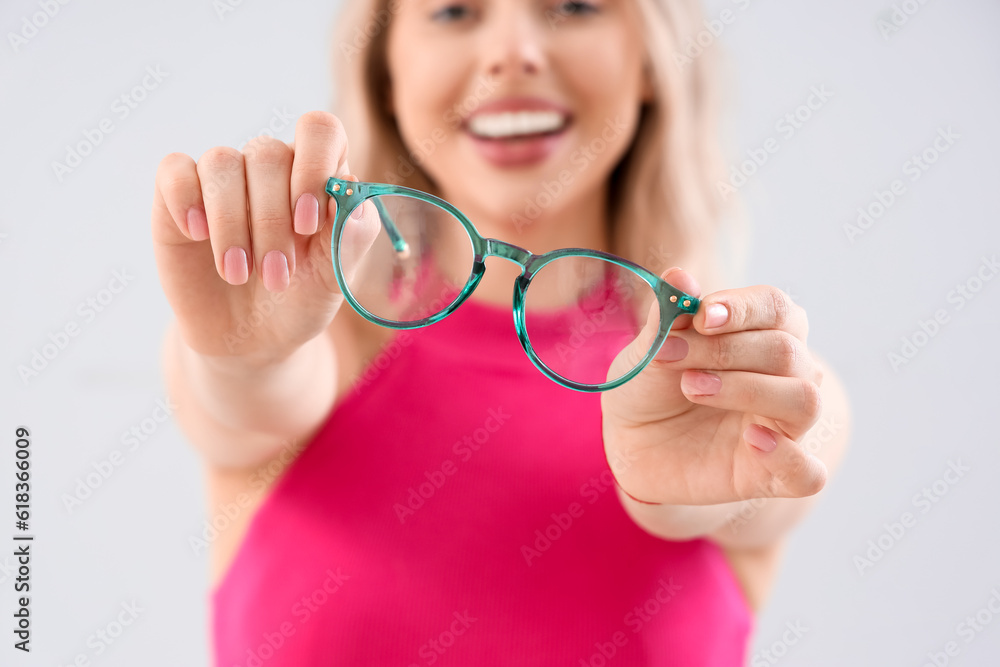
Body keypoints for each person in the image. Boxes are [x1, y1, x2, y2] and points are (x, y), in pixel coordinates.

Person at [151, 0, 851, 664]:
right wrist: (243, 357)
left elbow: (765, 471)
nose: (513, 53)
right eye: (453, 9)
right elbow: (245, 386)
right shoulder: (309, 345)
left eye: (575, 4)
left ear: (649, 59)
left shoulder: (746, 385)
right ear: (387, 73)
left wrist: (681, 482)